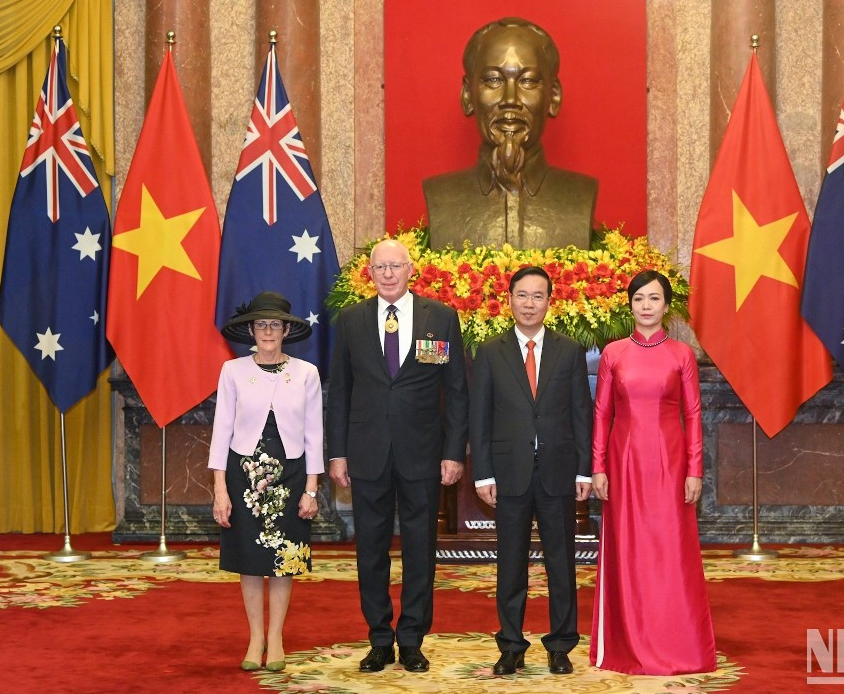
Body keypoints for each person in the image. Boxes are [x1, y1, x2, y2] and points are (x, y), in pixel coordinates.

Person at [327, 238, 469, 673]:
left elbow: (457, 392)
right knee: (370, 549)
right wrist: (337, 453)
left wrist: (453, 452)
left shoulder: (440, 319)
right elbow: (340, 393)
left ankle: (411, 639)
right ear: (369, 274)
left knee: (420, 549)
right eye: (380, 268)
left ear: (411, 270)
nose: (388, 274)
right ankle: (379, 638)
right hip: (366, 454)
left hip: (423, 455)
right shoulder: (350, 321)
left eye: (396, 267)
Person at [590, 270, 717, 675]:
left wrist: (695, 469)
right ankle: (627, 642)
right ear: (630, 305)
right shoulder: (614, 353)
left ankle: (677, 641)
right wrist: (598, 466)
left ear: (667, 306)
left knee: (671, 552)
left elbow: (694, 415)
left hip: (671, 463)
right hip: (623, 463)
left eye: (654, 299)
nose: (646, 306)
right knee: (628, 550)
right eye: (639, 299)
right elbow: (602, 413)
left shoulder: (681, 354)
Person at [470, 265, 593, 675]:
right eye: (522, 295)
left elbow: (581, 413)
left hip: (559, 472)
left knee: (562, 563)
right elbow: (480, 417)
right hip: (508, 475)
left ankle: (560, 645)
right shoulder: (489, 352)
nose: (529, 303)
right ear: (509, 299)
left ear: (549, 301)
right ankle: (510, 645)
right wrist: (483, 473)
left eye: (537, 296)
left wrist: (585, 470)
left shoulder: (569, 350)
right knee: (510, 563)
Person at [209, 291, 323, 673]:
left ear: (287, 330)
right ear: (251, 330)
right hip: (244, 476)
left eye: (275, 324)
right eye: (261, 324)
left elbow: (314, 435)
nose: (268, 331)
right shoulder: (233, 371)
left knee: (284, 558)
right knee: (250, 558)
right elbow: (221, 430)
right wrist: (220, 489)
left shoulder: (306, 372)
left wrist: (311, 488)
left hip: (290, 475)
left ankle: (276, 636)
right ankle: (255, 636)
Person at [423, 17, 597, 250]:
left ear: (553, 96)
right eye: (494, 80)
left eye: (528, 81)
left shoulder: (580, 194)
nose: (510, 100)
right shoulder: (442, 196)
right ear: (467, 95)